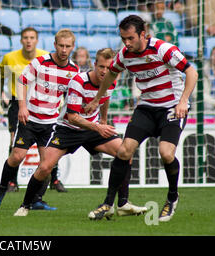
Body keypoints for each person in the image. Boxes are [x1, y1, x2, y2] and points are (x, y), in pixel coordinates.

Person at [84, 15, 198, 222]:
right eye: (123, 39)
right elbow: (111, 74)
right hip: (146, 107)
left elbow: (191, 72)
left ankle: (172, 198)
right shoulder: (124, 55)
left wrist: (183, 101)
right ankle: (108, 203)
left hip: (171, 107)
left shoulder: (163, 49)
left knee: (165, 153)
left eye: (130, 38)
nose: (126, 43)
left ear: (143, 34)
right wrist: (97, 99)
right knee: (124, 150)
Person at [13, 48, 147, 217]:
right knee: (45, 167)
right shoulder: (78, 81)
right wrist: (99, 127)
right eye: (101, 67)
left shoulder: (111, 81)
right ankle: (25, 206)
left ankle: (123, 203)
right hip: (68, 130)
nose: (104, 71)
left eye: (108, 68)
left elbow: (105, 98)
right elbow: (72, 117)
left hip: (92, 128)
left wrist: (103, 120)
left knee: (125, 152)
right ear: (95, 64)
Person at [0, 29, 79, 210]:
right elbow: (20, 82)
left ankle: (37, 199)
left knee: (46, 164)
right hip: (29, 118)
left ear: (72, 47)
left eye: (67, 46)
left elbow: (73, 96)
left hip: (51, 123)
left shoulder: (74, 70)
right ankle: (1, 189)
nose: (63, 49)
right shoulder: (39, 62)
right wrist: (20, 107)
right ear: (54, 45)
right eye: (60, 45)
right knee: (17, 156)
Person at [0, 27, 49, 192]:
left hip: (41, 103)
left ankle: (53, 180)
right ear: (21, 40)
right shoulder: (10, 58)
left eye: (32, 37)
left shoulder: (45, 57)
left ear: (37, 40)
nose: (29, 41)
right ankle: (12, 181)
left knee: (47, 144)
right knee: (14, 142)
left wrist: (58, 100)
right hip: (17, 103)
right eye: (25, 37)